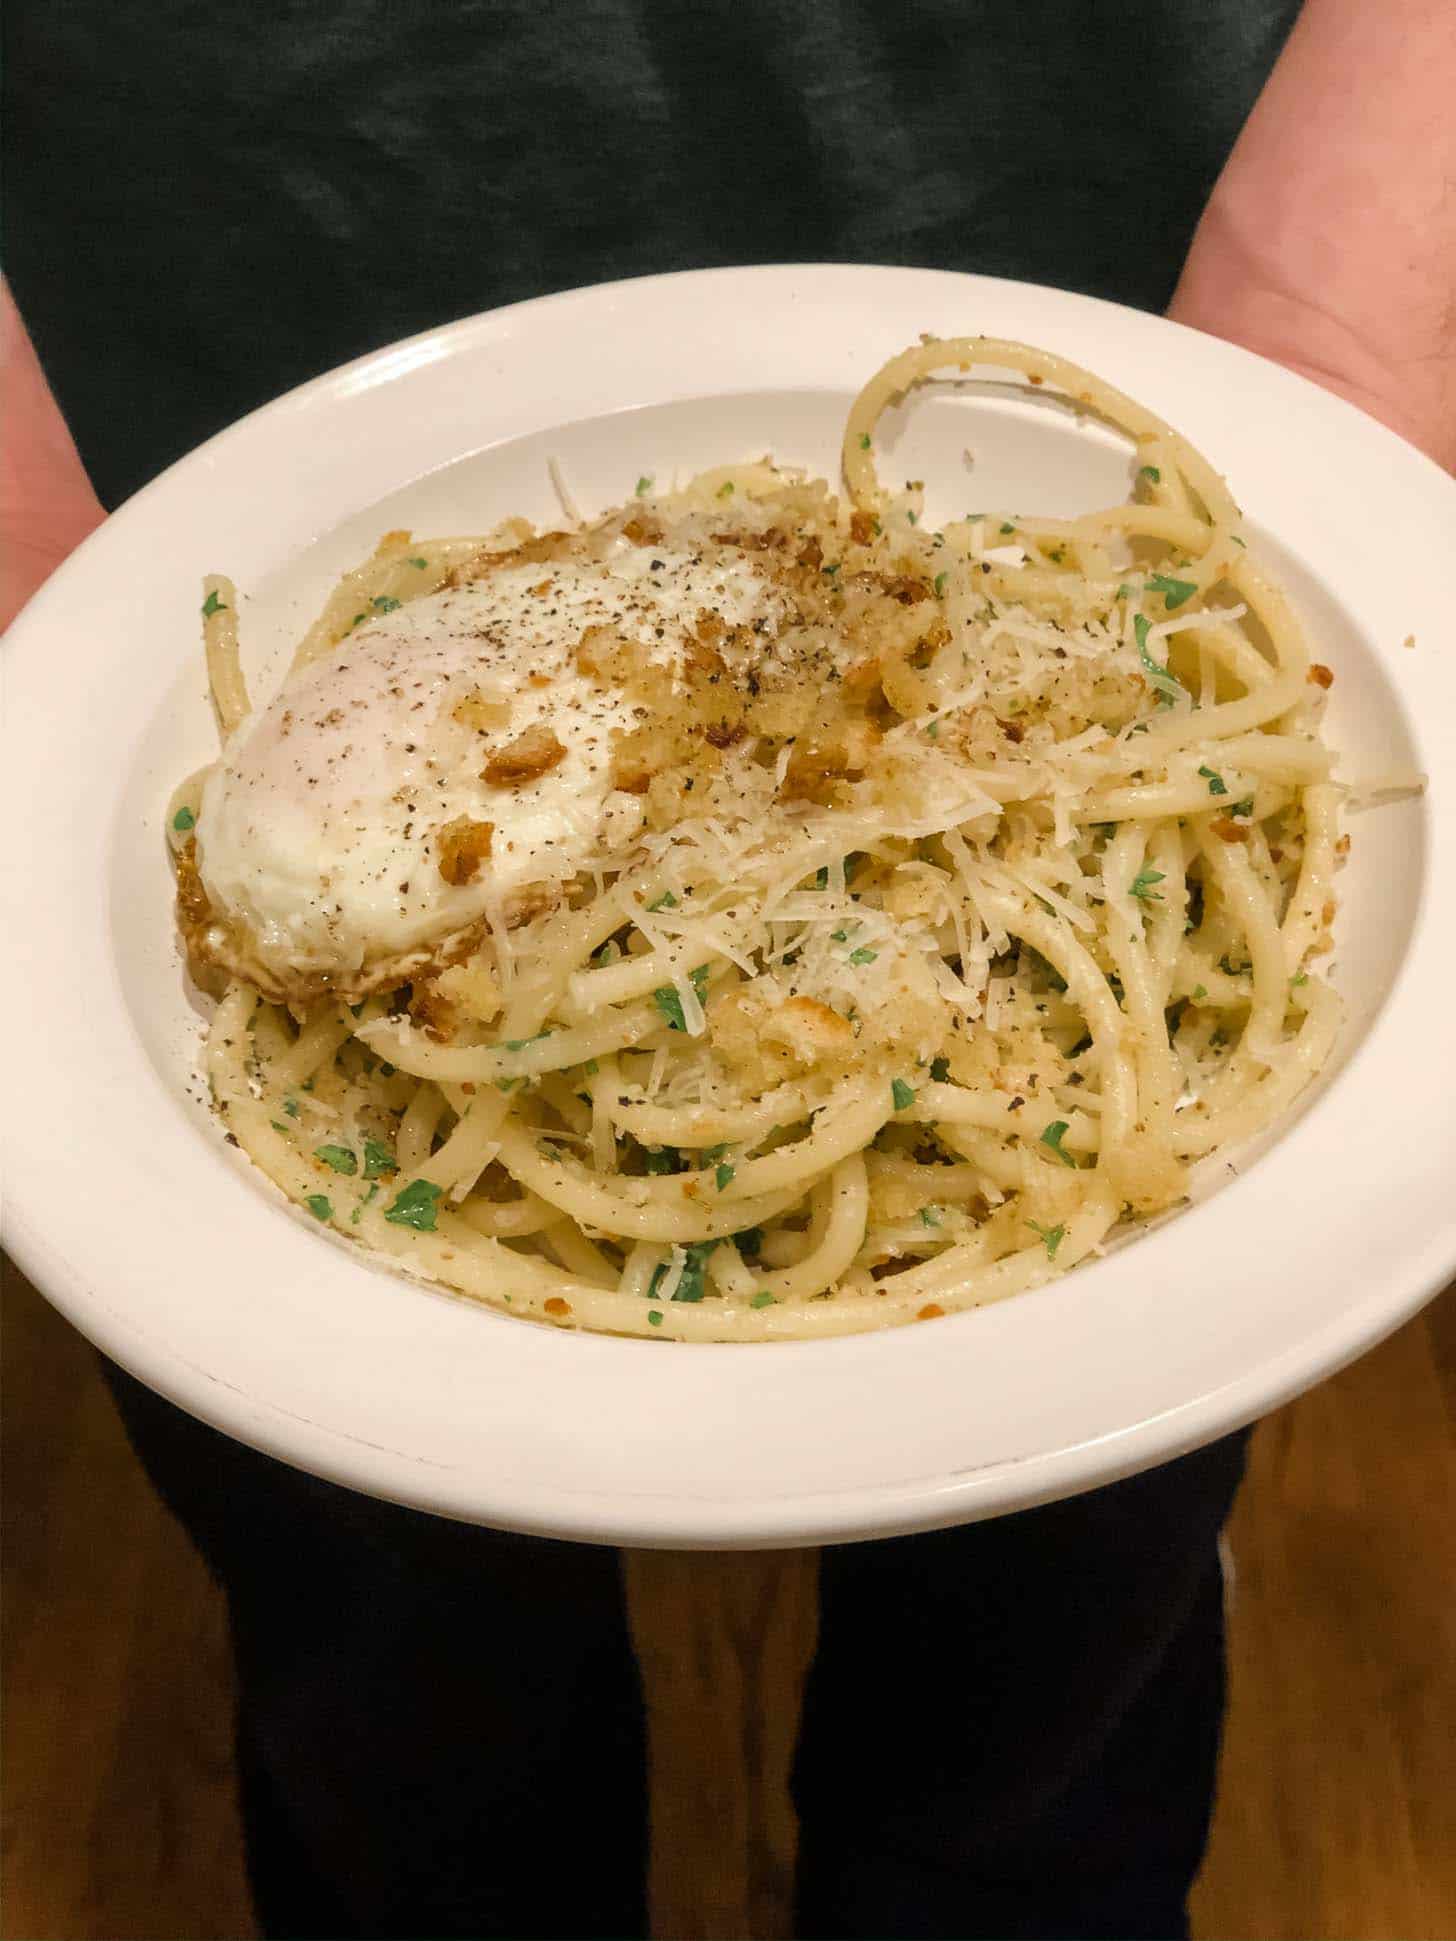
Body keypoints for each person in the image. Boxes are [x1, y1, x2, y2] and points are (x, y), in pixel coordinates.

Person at [4, 2, 1452, 1935]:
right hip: (170, 334)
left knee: (1045, 1683)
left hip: (1153, 240)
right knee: (397, 1692)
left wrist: (1339, 300)